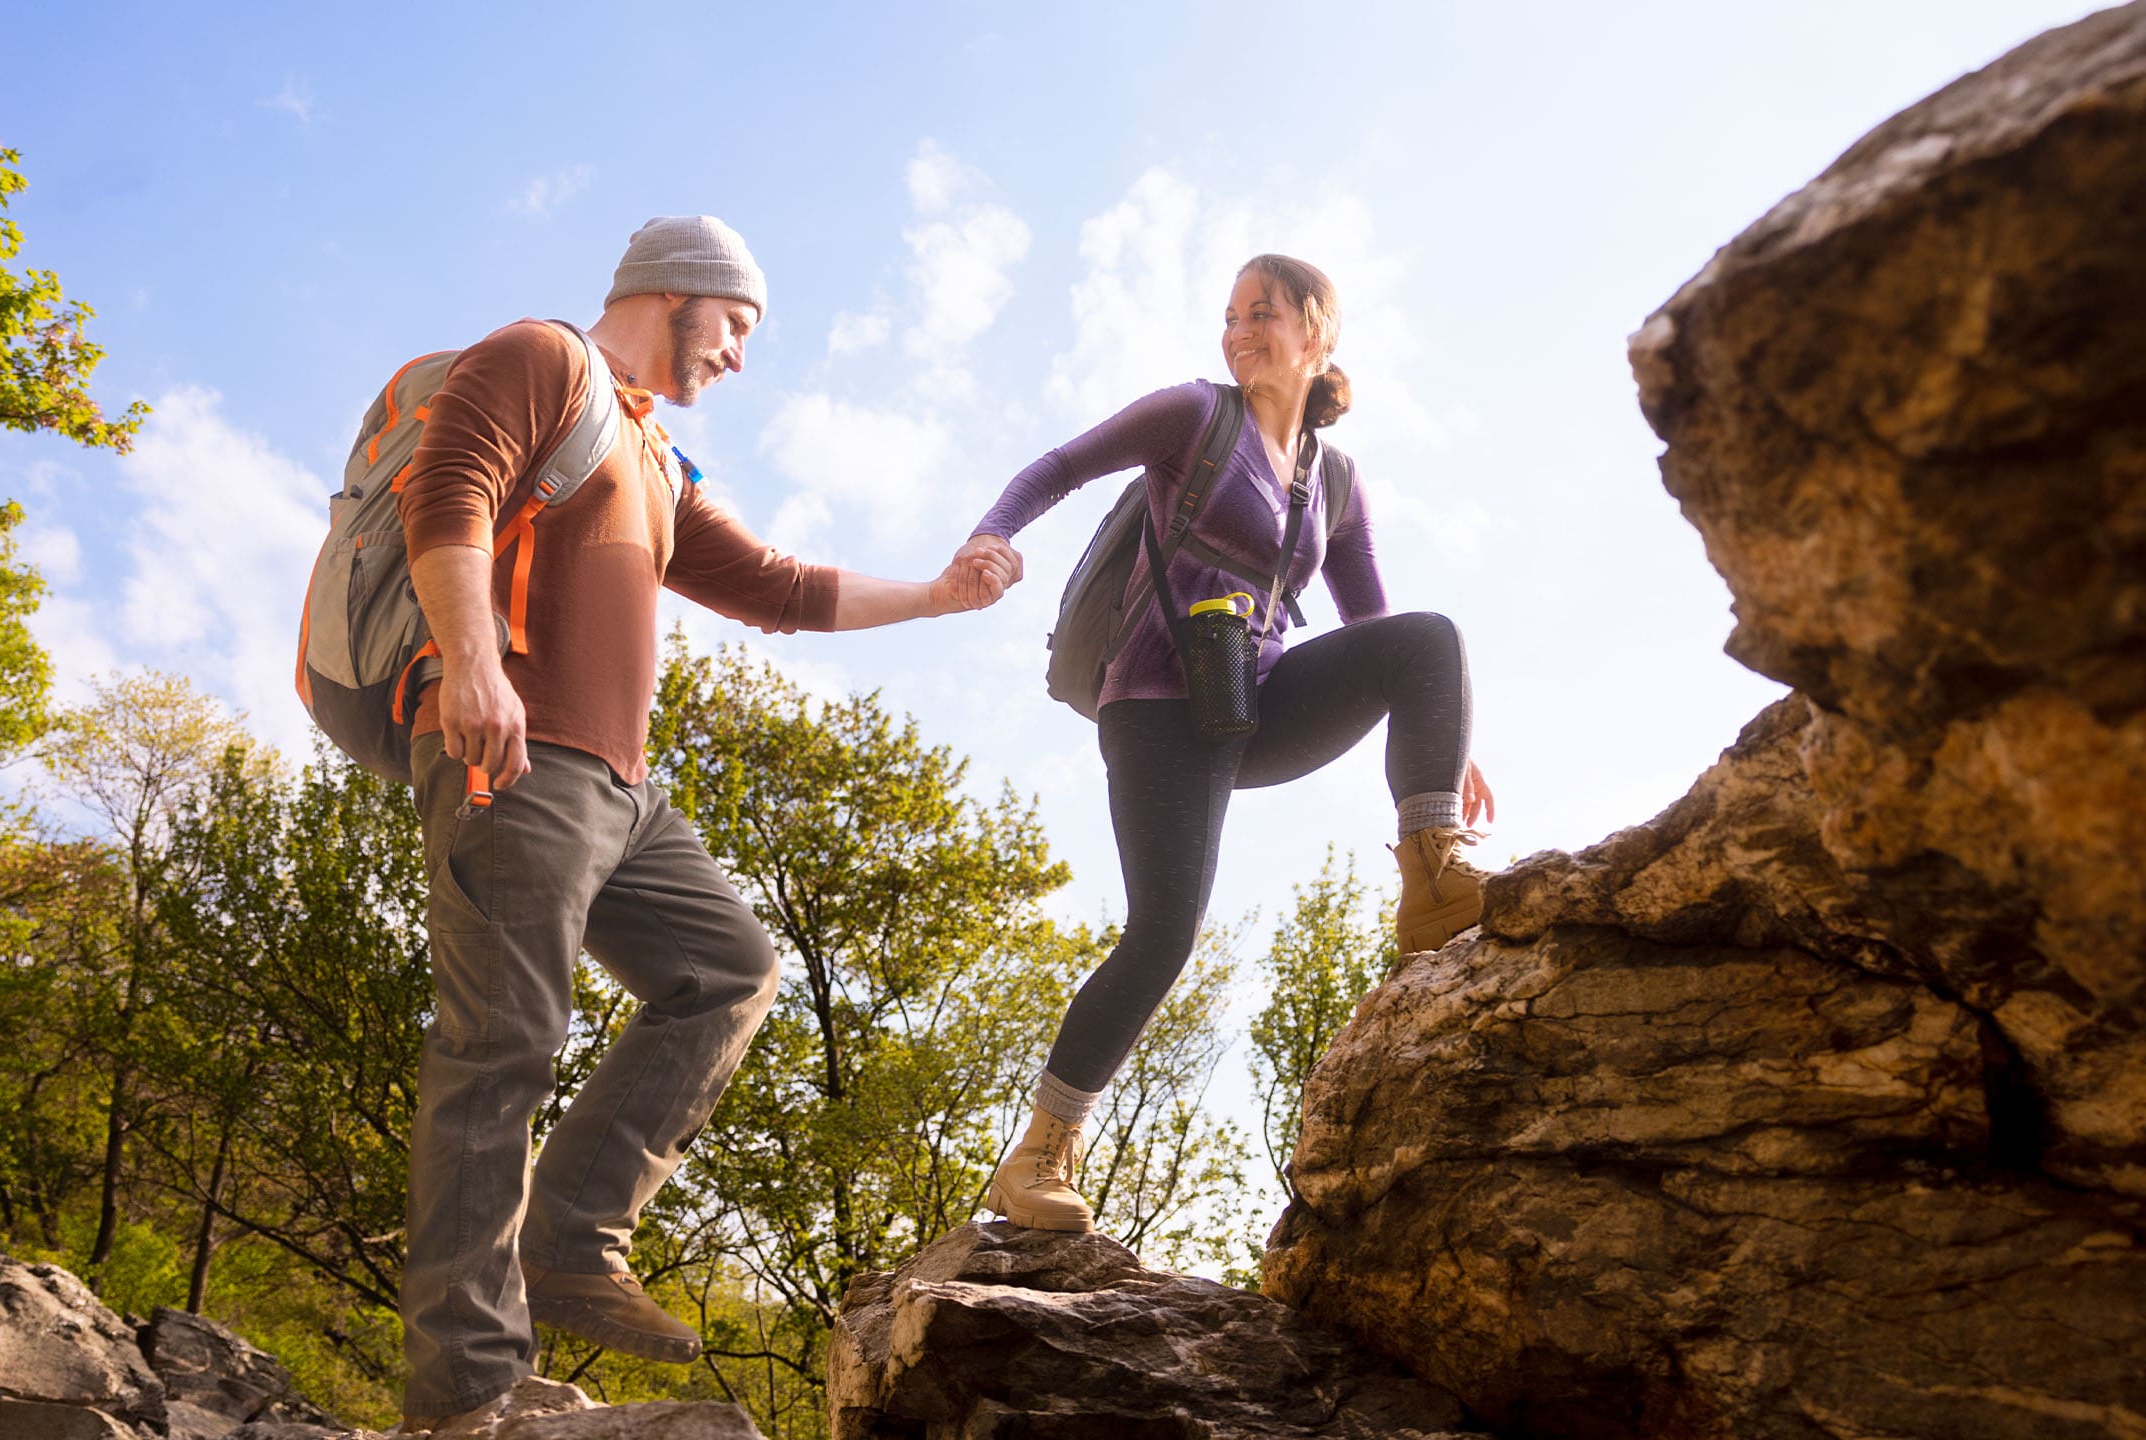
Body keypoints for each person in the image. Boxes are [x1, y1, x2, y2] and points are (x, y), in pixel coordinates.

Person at [394, 215, 1009, 1424]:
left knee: (729, 970)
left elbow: (779, 588)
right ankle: (464, 1394)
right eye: (734, 325)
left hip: (620, 791)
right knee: (501, 1049)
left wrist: (937, 599)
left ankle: (570, 1234)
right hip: (513, 749)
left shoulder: (654, 456)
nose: (738, 355)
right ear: (672, 291)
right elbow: (448, 495)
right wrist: (472, 661)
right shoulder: (541, 359)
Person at [954, 254, 1494, 1233]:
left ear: (1317, 331)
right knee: (1163, 933)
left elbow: (1373, 622)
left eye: (1263, 313)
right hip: (1158, 702)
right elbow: (1058, 466)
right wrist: (990, 536)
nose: (1239, 331)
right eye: (1231, 315)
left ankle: (1433, 878)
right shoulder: (1192, 416)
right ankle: (1040, 1154)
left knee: (1432, 640)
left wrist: (1446, 741)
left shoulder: (1335, 479)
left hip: (1259, 701)